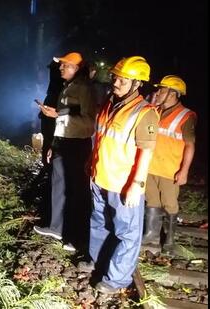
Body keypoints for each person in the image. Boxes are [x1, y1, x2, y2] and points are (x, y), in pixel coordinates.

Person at [78, 56, 160, 294]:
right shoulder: (109, 102)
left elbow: (147, 152)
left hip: (123, 183)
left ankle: (116, 280)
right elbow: (101, 138)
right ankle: (97, 261)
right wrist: (89, 162)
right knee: (99, 222)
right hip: (100, 176)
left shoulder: (145, 113)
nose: (116, 83)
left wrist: (138, 183)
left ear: (137, 84)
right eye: (115, 77)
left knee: (127, 233)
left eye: (122, 80)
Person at [33, 52, 97, 253]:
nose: (61, 68)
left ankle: (76, 236)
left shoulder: (85, 89)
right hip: (63, 143)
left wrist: (58, 114)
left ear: (76, 68)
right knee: (58, 185)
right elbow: (65, 119)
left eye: (65, 65)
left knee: (76, 191)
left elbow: (89, 121)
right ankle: (56, 227)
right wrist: (53, 144)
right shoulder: (67, 86)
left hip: (77, 145)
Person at [142, 75, 196, 254]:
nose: (158, 92)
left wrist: (184, 171)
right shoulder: (154, 110)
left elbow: (190, 144)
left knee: (170, 204)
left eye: (162, 90)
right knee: (152, 201)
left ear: (173, 93)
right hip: (150, 167)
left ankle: (170, 241)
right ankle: (152, 237)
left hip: (169, 170)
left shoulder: (185, 116)